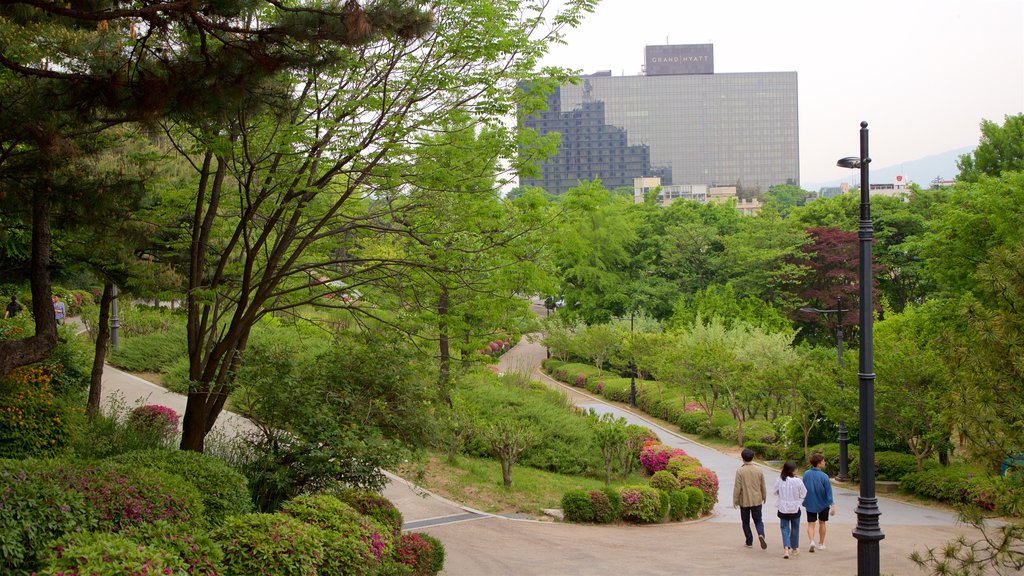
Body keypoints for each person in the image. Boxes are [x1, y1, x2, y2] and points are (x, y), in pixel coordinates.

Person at [733, 447, 768, 550]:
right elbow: (763, 485)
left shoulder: (740, 471)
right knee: (758, 520)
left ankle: (749, 541)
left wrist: (735, 499)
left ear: (742, 458)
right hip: (757, 500)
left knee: (745, 522)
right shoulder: (759, 470)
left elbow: (737, 487)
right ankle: (761, 534)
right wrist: (764, 496)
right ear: (753, 457)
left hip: (744, 501)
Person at [773, 460, 807, 559]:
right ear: (792, 471)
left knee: (784, 528)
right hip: (795, 508)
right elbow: (804, 493)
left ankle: (786, 549)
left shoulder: (780, 479)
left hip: (782, 507)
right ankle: (795, 548)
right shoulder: (798, 481)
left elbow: (775, 492)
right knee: (795, 528)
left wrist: (782, 494)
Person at [803, 453, 836, 552]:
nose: (824, 463)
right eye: (823, 461)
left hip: (810, 502)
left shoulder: (806, 474)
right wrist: (832, 504)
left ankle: (812, 541)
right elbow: (828, 492)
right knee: (822, 523)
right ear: (819, 463)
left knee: (811, 523)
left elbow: (803, 488)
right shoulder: (824, 476)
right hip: (823, 504)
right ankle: (821, 544)